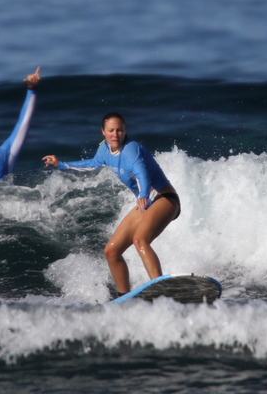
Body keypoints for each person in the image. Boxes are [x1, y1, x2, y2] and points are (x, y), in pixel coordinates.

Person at [43, 112, 180, 297]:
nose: (115, 134)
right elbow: (93, 164)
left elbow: (142, 174)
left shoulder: (131, 150)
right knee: (111, 251)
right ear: (103, 132)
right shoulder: (105, 149)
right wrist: (61, 164)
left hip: (165, 199)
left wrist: (142, 195)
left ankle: (162, 290)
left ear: (125, 131)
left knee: (140, 240)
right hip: (146, 202)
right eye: (111, 130)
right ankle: (124, 298)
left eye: (119, 130)